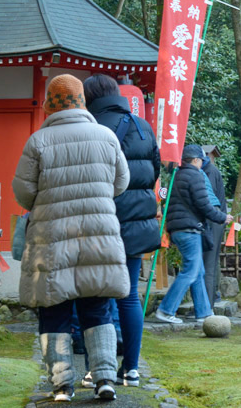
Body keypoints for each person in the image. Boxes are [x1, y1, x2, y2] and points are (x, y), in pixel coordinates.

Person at [14, 74, 130, 402]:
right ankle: (105, 378)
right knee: (98, 310)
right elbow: (121, 182)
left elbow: (24, 193)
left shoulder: (38, 141)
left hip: (52, 240)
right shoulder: (106, 137)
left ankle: (61, 384)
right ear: (82, 101)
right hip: (99, 236)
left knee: (54, 310)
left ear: (50, 104)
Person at [84, 74, 161, 389]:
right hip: (137, 225)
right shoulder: (143, 127)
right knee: (129, 296)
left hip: (102, 222)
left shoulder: (93, 127)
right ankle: (131, 369)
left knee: (97, 296)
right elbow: (155, 170)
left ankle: (98, 371)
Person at [154, 144, 232, 325]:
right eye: (201, 161)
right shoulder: (195, 175)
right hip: (189, 229)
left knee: (198, 271)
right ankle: (166, 310)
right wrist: (222, 217)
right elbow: (204, 205)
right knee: (190, 271)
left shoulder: (177, 175)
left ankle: (204, 313)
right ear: (196, 160)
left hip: (178, 228)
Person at [200, 147, 227, 306]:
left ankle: (207, 305)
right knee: (212, 261)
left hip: (214, 219)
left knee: (208, 263)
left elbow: (205, 199)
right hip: (218, 218)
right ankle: (211, 298)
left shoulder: (209, 172)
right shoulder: (211, 170)